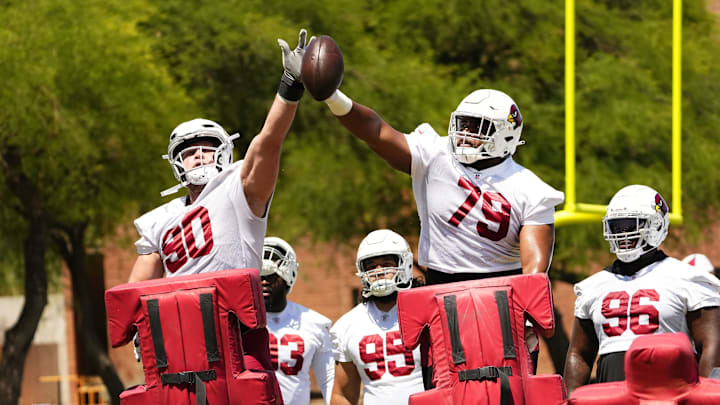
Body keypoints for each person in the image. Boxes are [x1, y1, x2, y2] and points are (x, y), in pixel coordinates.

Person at [319, 83, 564, 283]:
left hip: (501, 287)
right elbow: (376, 131)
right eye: (463, 124)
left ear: (506, 134)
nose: (465, 134)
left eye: (477, 127)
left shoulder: (531, 190)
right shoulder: (435, 153)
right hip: (441, 282)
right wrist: (332, 95)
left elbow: (534, 274)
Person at [128, 28, 310, 282]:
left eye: (208, 150)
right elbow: (136, 291)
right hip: (184, 318)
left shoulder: (239, 189)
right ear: (176, 165)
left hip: (235, 317)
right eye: (190, 152)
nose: (200, 157)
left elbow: (269, 140)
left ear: (224, 155)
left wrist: (291, 84)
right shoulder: (159, 220)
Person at [563, 184, 720, 395]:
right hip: (612, 396)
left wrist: (705, 397)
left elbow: (712, 344)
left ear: (656, 225)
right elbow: (580, 353)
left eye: (630, 226)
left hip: (670, 396)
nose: (622, 234)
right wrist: (571, 398)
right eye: (616, 227)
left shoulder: (688, 278)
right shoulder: (592, 287)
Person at [330, 229, 424, 405]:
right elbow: (341, 394)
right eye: (371, 267)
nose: (379, 272)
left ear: (405, 264)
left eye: (387, 264)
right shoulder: (346, 326)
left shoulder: (427, 311)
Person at [261, 236, 334, 405]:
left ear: (288, 276)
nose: (264, 282)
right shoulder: (237, 322)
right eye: (259, 275)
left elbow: (328, 381)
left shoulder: (314, 323)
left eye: (271, 276)